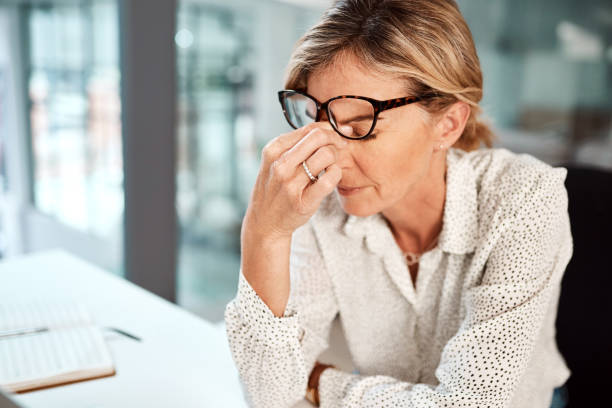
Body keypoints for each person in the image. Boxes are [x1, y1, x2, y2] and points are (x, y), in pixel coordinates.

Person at [224, 1, 572, 407]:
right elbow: (269, 394)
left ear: (448, 124)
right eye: (315, 120)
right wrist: (264, 234)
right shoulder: (323, 205)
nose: (329, 158)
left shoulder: (524, 198)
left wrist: (321, 383)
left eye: (359, 126)